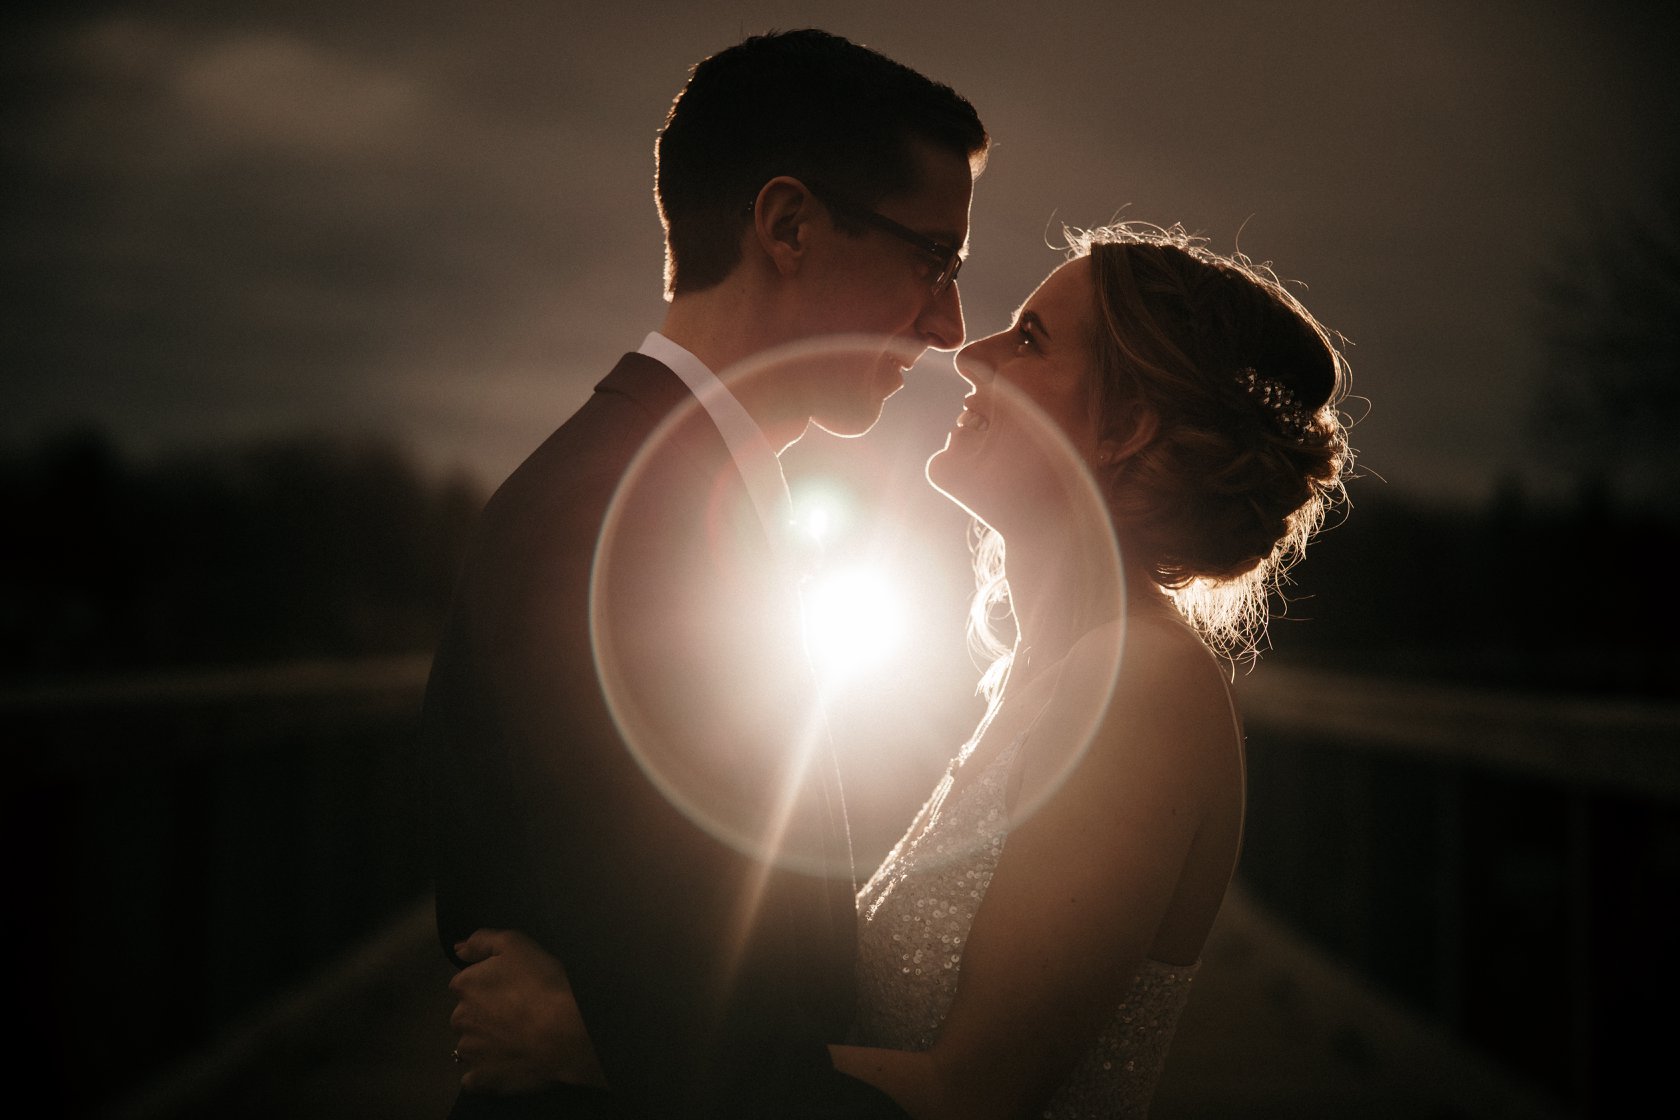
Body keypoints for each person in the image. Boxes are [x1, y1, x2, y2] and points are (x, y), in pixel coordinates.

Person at [448, 221, 1354, 1119]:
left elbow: (972, 1096)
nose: (971, 355)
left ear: (1125, 426)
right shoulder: (1037, 680)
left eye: (1029, 339)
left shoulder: (1144, 690)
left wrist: (601, 1044)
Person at [419, 27, 987, 1120]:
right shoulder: (618, 523)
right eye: (934, 260)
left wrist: (611, 1037)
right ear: (786, 225)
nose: (950, 324)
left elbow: (681, 987)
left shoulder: (659, 489)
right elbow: (712, 1004)